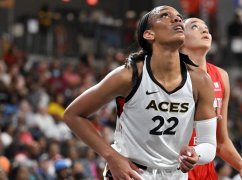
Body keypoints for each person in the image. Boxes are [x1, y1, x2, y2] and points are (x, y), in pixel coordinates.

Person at [64, 6, 218, 180]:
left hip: (175, 174)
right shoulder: (128, 75)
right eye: (165, 15)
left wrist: (195, 153)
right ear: (149, 34)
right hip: (132, 172)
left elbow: (209, 144)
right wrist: (111, 156)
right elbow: (73, 115)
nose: (177, 19)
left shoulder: (201, 81)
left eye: (179, 17)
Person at [181, 17, 242, 180]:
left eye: (205, 27)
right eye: (194, 26)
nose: (204, 30)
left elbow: (221, 141)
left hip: (206, 169)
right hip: (177, 167)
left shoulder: (221, 76)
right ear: (180, 39)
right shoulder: (170, 76)